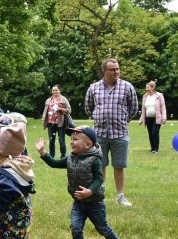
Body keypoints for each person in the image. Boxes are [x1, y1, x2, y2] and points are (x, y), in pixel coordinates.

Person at [36, 126, 124, 239]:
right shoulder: (71, 157)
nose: (71, 142)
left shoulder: (94, 160)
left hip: (95, 203)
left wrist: (90, 191)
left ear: (88, 144)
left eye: (75, 139)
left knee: (102, 228)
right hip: (78, 202)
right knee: (75, 227)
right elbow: (54, 163)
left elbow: (99, 179)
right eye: (71, 139)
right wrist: (43, 153)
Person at [84, 58, 138, 207]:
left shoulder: (127, 87)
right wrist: (98, 117)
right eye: (113, 69)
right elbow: (88, 108)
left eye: (117, 69)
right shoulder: (93, 88)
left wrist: (121, 120)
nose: (116, 72)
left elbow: (133, 109)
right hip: (99, 133)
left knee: (119, 165)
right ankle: (99, 194)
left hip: (120, 133)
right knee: (99, 165)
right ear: (104, 71)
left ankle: (120, 196)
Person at [40, 85, 72, 158]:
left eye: (56, 90)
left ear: (59, 91)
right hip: (50, 123)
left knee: (61, 140)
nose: (54, 92)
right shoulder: (48, 100)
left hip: (61, 123)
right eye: (53, 90)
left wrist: (61, 109)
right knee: (51, 141)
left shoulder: (64, 99)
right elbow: (45, 112)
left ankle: (63, 156)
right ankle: (51, 156)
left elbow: (69, 110)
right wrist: (43, 122)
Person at [138, 81, 167, 153]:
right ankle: (152, 148)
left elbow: (163, 107)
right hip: (148, 118)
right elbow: (143, 109)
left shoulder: (159, 95)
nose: (146, 89)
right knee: (150, 133)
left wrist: (164, 117)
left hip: (157, 118)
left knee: (155, 132)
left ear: (153, 87)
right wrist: (141, 119)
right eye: (146, 87)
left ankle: (156, 149)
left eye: (148, 87)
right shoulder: (145, 96)